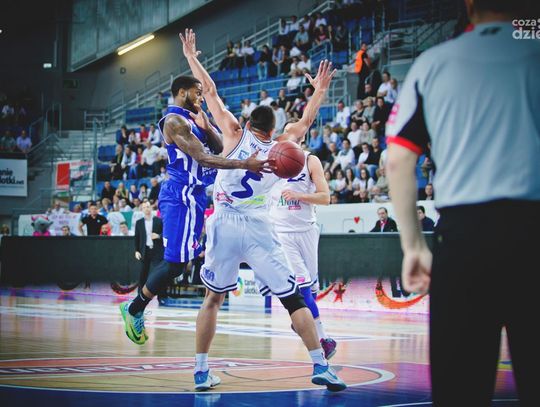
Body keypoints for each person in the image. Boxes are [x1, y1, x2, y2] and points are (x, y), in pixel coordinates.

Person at [385, 1, 539, 405]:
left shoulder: (433, 63)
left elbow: (398, 159)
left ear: (469, 4)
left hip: (465, 240)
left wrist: (413, 246)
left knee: (461, 391)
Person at [180, 29, 345, 392]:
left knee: (213, 299)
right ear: (273, 128)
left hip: (224, 222)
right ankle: (320, 365)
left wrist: (191, 57)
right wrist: (319, 89)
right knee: (293, 298)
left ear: (248, 123)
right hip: (259, 226)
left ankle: (201, 371)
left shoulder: (233, 132)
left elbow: (210, 91)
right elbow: (307, 121)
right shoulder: (284, 148)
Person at [119, 74, 273, 346]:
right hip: (181, 195)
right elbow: (203, 158)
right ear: (182, 92)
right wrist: (243, 165)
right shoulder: (174, 121)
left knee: (180, 263)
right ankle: (134, 309)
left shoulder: (194, 119)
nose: (201, 97)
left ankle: (136, 306)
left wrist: (208, 126)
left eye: (203, 93)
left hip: (196, 195)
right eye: (197, 92)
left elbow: (220, 147)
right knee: (175, 264)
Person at [134, 202, 164, 292]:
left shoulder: (159, 221)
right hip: (145, 250)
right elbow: (137, 237)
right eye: (144, 207)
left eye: (148, 207)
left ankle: (161, 294)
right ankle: (140, 293)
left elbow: (166, 234)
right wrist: (136, 250)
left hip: (157, 250)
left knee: (159, 273)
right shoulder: (139, 223)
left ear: (151, 208)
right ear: (142, 210)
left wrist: (158, 236)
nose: (146, 209)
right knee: (143, 273)